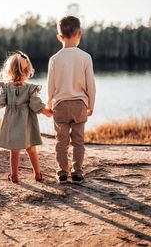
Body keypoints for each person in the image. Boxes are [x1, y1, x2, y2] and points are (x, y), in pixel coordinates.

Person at [47, 15, 96, 184]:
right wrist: (91, 104)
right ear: (79, 34)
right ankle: (77, 173)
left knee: (61, 141)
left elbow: (50, 86)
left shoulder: (54, 59)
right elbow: (91, 85)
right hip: (79, 104)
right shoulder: (85, 57)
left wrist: (48, 104)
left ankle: (62, 172)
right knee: (78, 141)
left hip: (60, 105)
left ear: (59, 36)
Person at [0, 50, 52, 183]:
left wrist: (1, 93)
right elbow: (36, 105)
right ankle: (37, 173)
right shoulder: (31, 89)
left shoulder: (6, 88)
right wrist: (47, 112)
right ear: (28, 71)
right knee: (31, 149)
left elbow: (0, 103)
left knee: (14, 151)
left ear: (9, 71)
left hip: (12, 122)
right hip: (27, 123)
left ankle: (14, 176)